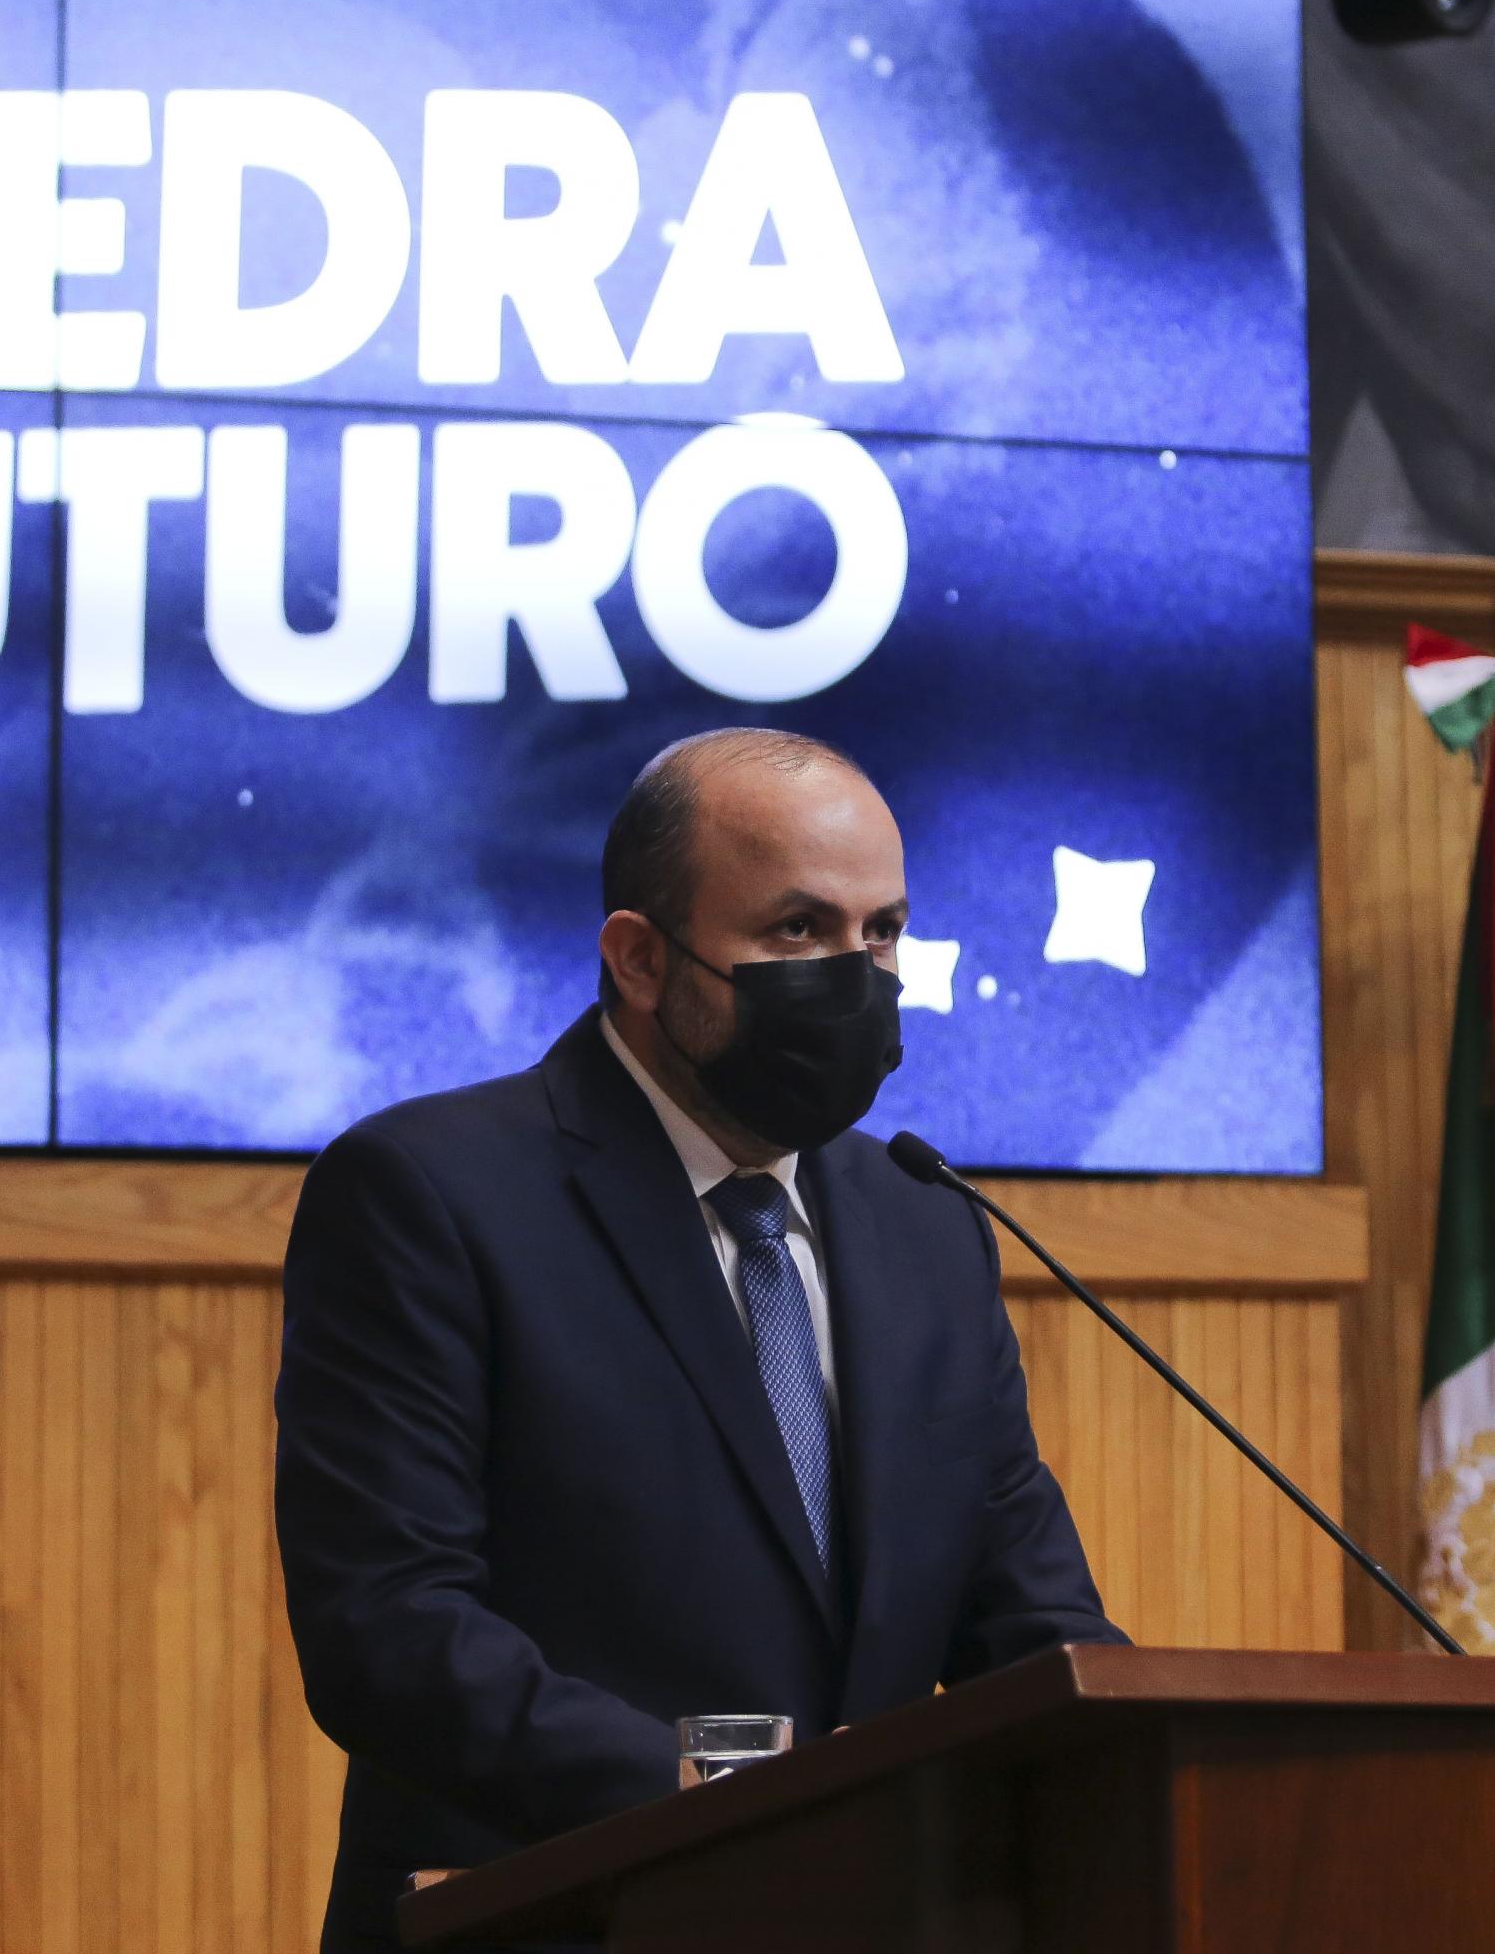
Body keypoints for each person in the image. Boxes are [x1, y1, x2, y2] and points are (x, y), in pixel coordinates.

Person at [275, 728, 1125, 1952]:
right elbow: (390, 1630)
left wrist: (1139, 1753)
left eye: (881, 930)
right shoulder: (429, 1193)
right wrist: (741, 1798)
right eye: (798, 929)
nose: (855, 974)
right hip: (556, 1920)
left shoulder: (926, 1224)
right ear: (638, 956)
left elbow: (1032, 1622)